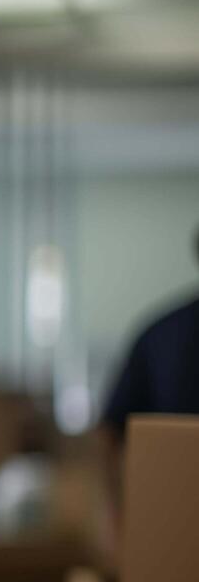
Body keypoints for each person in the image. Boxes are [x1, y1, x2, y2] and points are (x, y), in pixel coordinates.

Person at [98, 223, 199, 527]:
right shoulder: (161, 338)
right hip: (171, 517)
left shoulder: (159, 333)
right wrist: (117, 512)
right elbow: (108, 433)